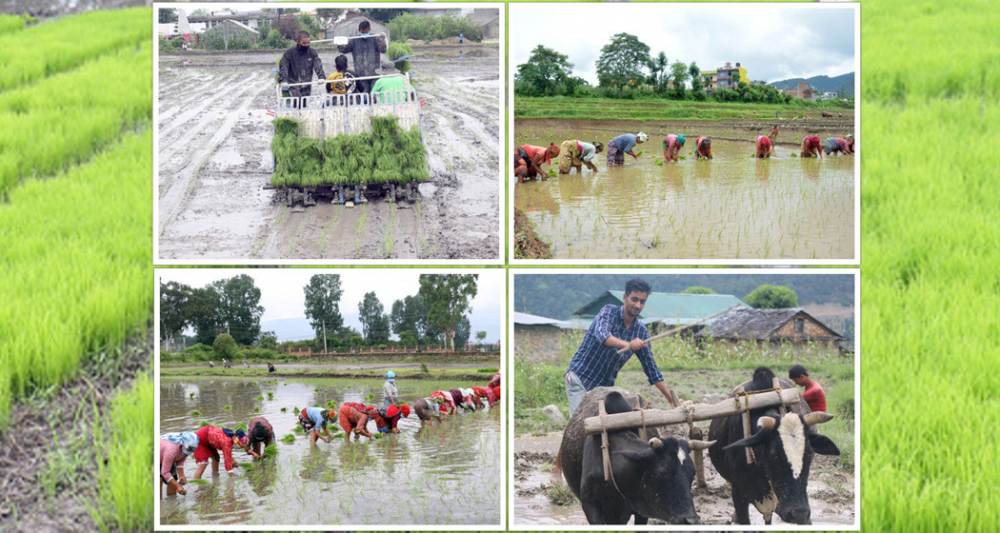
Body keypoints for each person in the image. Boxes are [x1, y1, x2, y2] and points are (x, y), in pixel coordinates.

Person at [564, 278, 679, 417]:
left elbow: (652, 370)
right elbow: (603, 336)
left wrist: (671, 400)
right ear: (625, 298)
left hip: (603, 389)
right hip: (580, 379)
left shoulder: (641, 332)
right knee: (582, 425)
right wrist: (628, 344)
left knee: (610, 426)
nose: (638, 305)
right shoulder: (608, 312)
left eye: (642, 302)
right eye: (634, 299)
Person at [337, 20, 387, 95]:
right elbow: (344, 49)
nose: (364, 34)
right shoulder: (354, 40)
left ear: (369, 30)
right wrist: (339, 43)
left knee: (375, 95)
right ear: (359, 31)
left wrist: (383, 40)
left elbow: (383, 50)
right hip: (361, 75)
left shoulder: (375, 38)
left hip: (375, 73)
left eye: (366, 32)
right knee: (364, 96)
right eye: (362, 32)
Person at [279, 31, 327, 103]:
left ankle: (298, 114)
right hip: (293, 83)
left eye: (308, 43)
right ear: (298, 42)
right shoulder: (289, 53)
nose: (307, 45)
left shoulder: (312, 53)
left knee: (303, 105)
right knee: (298, 100)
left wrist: (321, 77)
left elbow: (318, 64)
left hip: (306, 85)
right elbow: (283, 66)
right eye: (304, 43)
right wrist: (283, 80)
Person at [160, 432, 197, 496]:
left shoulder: (186, 448)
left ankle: (171, 501)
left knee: (173, 478)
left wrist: (181, 475)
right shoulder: (171, 451)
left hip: (167, 456)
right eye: (190, 449)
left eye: (193, 449)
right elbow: (165, 472)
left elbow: (181, 458)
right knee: (159, 480)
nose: (191, 451)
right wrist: (177, 486)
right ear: (183, 444)